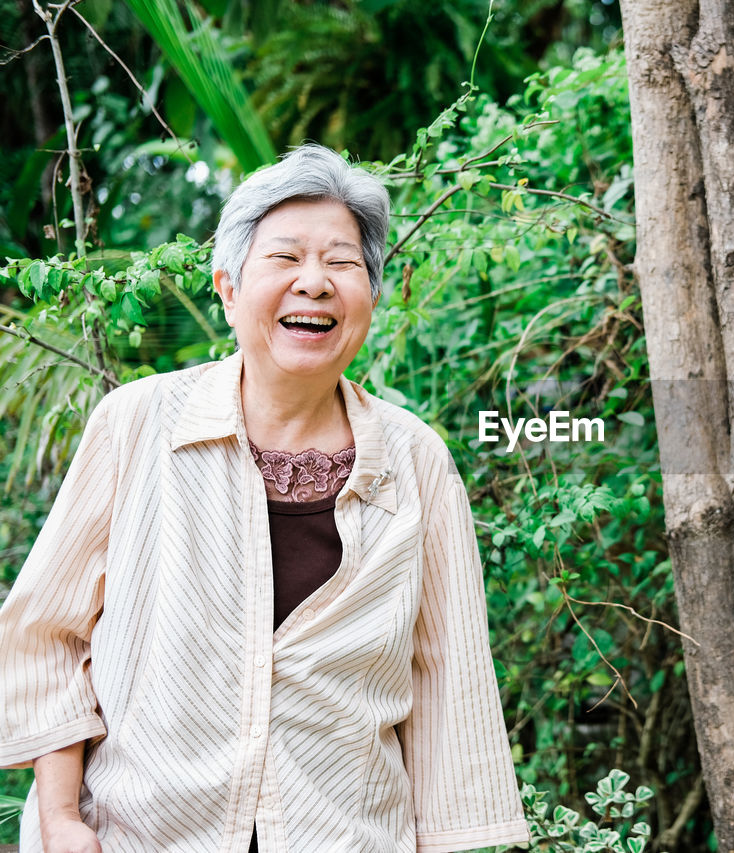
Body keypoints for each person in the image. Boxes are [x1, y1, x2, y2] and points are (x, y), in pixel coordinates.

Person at [0, 145, 529, 852]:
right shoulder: (138, 425)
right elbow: (47, 635)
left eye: (342, 262)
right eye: (285, 258)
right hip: (138, 835)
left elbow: (447, 681)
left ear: (372, 294)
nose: (314, 282)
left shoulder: (416, 460)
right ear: (227, 287)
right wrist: (63, 820)